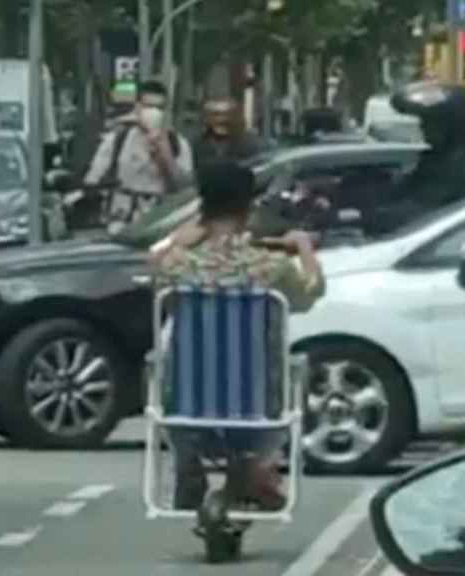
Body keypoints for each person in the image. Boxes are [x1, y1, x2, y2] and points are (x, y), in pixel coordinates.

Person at [150, 161, 326, 512]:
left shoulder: (180, 265)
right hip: (256, 403)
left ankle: (188, 463)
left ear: (202, 205)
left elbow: (153, 260)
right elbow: (310, 294)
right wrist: (304, 248)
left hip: (187, 402)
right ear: (249, 207)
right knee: (295, 365)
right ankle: (255, 466)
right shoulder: (268, 266)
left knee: (160, 367)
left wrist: (183, 236)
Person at [84, 81, 194, 231]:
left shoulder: (178, 144)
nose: (153, 112)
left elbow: (184, 188)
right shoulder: (117, 140)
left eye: (159, 108)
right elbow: (93, 180)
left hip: (160, 222)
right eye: (148, 106)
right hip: (121, 221)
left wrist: (164, 152)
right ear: (137, 107)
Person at [381, 81, 465, 233]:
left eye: (429, 122)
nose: (422, 127)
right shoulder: (435, 160)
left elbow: (423, 208)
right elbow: (409, 188)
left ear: (449, 126)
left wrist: (378, 216)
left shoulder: (459, 168)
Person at [192, 98, 267, 170]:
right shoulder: (198, 144)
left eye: (225, 114)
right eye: (214, 114)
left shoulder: (251, 144)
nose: (220, 119)